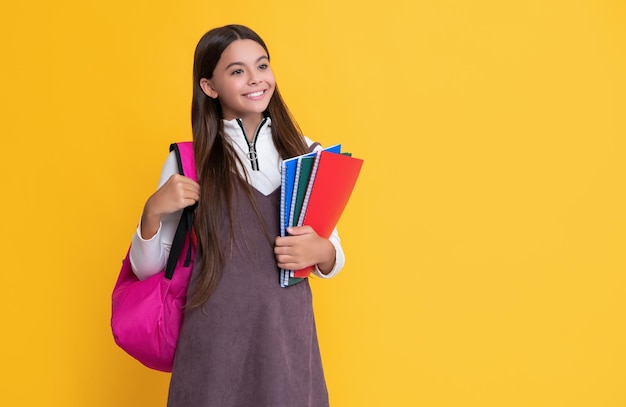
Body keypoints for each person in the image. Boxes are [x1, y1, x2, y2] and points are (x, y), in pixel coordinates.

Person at [129, 24, 345, 407]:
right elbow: (149, 270)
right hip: (212, 346)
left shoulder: (308, 155)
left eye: (262, 66)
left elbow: (334, 255)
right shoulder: (187, 162)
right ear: (209, 87)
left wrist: (321, 251)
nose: (255, 79)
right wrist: (152, 211)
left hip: (286, 342)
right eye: (237, 71)